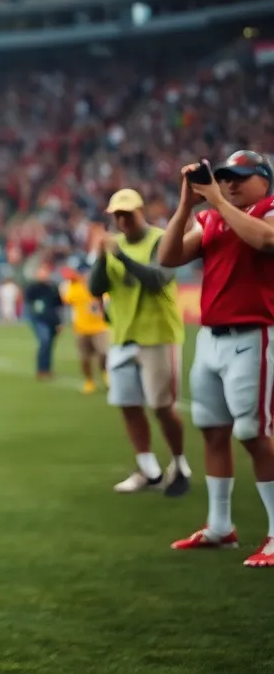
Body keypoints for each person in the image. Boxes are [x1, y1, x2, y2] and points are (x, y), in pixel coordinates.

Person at [158, 151, 274, 566]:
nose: (229, 183)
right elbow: (167, 257)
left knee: (254, 433)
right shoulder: (211, 218)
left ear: (265, 180)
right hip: (211, 337)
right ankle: (220, 526)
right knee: (212, 430)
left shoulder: (268, 210)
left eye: (241, 176)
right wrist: (185, 206)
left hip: (254, 333)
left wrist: (219, 201)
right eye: (224, 177)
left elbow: (265, 240)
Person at [90, 188, 190, 497]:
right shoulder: (112, 245)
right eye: (117, 215)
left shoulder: (161, 239)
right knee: (128, 405)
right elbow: (96, 287)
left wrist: (120, 257)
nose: (122, 221)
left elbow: (158, 280)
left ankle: (179, 464)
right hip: (123, 335)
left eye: (127, 214)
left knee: (162, 407)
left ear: (140, 212)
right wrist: (100, 258)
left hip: (157, 334)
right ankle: (149, 469)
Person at [60, 265, 110, 395]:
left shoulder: (98, 286)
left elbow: (107, 299)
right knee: (84, 358)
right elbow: (66, 299)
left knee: (103, 353)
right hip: (81, 328)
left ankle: (105, 374)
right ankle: (89, 380)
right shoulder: (75, 287)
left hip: (99, 327)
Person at [24, 262, 64, 381]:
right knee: (44, 341)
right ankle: (41, 369)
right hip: (39, 319)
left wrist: (59, 322)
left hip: (52, 320)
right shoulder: (33, 288)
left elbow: (58, 306)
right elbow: (29, 303)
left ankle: (47, 368)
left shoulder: (53, 288)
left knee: (50, 344)